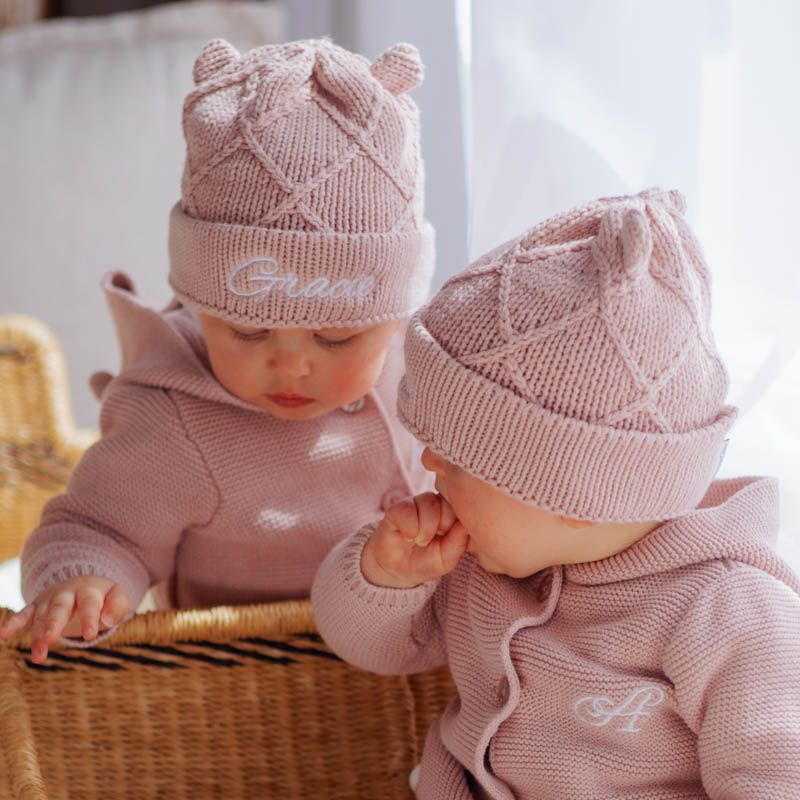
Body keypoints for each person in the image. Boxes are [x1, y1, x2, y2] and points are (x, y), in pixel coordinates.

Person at [312, 188, 800, 799]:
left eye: (459, 459)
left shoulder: (727, 613)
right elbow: (368, 646)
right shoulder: (478, 563)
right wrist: (384, 575)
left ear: (573, 495)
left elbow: (776, 778)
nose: (429, 461)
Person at [0, 37, 434, 664]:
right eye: (247, 332)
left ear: (395, 312)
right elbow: (95, 526)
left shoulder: (427, 368)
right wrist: (84, 578)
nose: (290, 364)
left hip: (414, 676)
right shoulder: (177, 414)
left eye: (336, 337)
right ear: (200, 306)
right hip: (243, 688)